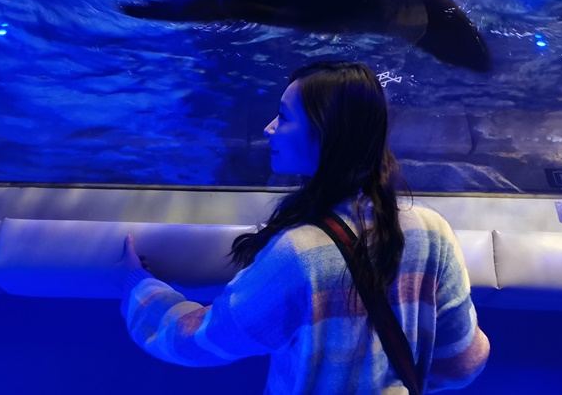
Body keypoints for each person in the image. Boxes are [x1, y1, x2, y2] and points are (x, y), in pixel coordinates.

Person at [116, 61, 489, 393]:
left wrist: (139, 287)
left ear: (326, 133)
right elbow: (463, 362)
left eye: (283, 116)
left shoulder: (299, 254)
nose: (268, 128)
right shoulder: (432, 229)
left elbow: (199, 340)